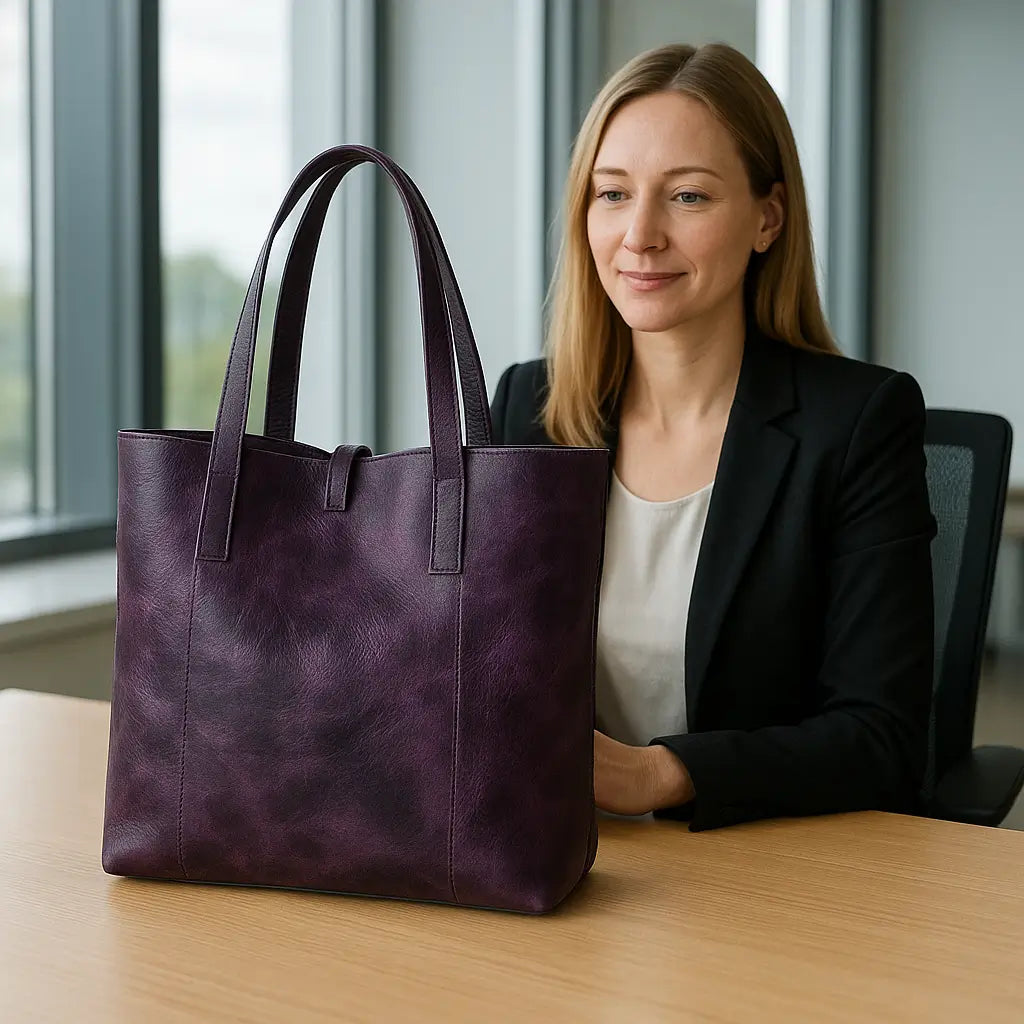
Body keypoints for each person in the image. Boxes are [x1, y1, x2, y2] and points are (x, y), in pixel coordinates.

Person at [487, 42, 937, 832]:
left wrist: (659, 774)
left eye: (688, 197)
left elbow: (882, 738)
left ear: (768, 218)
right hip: (553, 857)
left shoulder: (858, 423)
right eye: (613, 194)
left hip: (759, 874)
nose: (641, 235)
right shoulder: (531, 404)